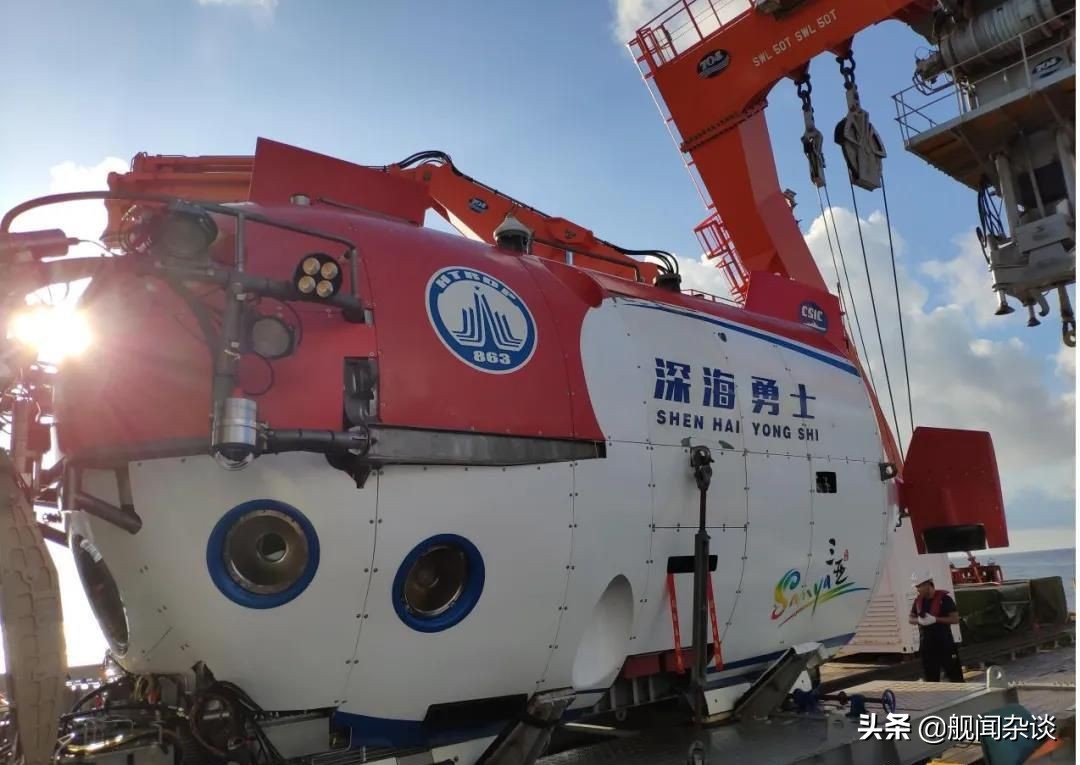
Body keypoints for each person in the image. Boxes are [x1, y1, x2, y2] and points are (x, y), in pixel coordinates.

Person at [908, 570, 964, 682]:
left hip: (945, 645)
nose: (917, 589)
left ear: (927, 584)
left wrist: (935, 619)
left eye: (919, 586)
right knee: (931, 679)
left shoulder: (945, 599)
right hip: (927, 647)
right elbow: (910, 618)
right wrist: (919, 620)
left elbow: (955, 619)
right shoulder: (918, 601)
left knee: (955, 677)